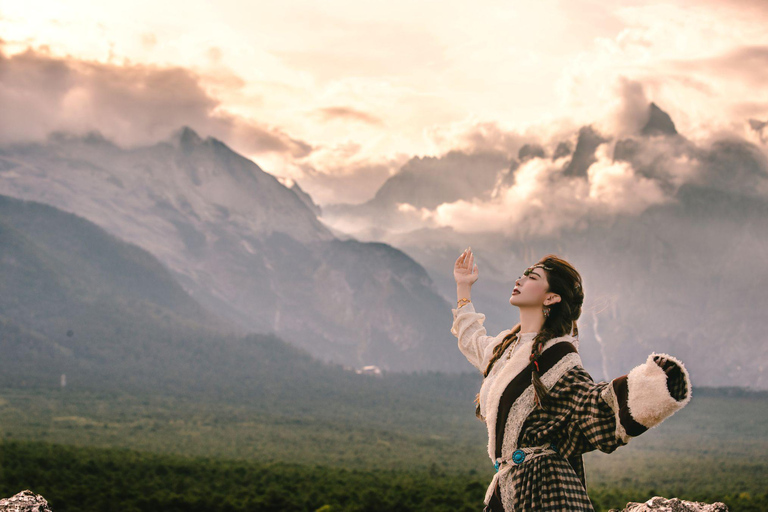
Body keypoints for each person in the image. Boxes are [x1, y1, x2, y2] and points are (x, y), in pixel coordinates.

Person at [451, 248, 692, 511]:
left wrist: (654, 384)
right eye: (522, 275)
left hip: (543, 491)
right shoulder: (506, 349)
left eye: (532, 277)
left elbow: (592, 404)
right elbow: (472, 339)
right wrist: (463, 286)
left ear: (551, 297)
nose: (519, 280)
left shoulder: (559, 357)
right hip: (507, 488)